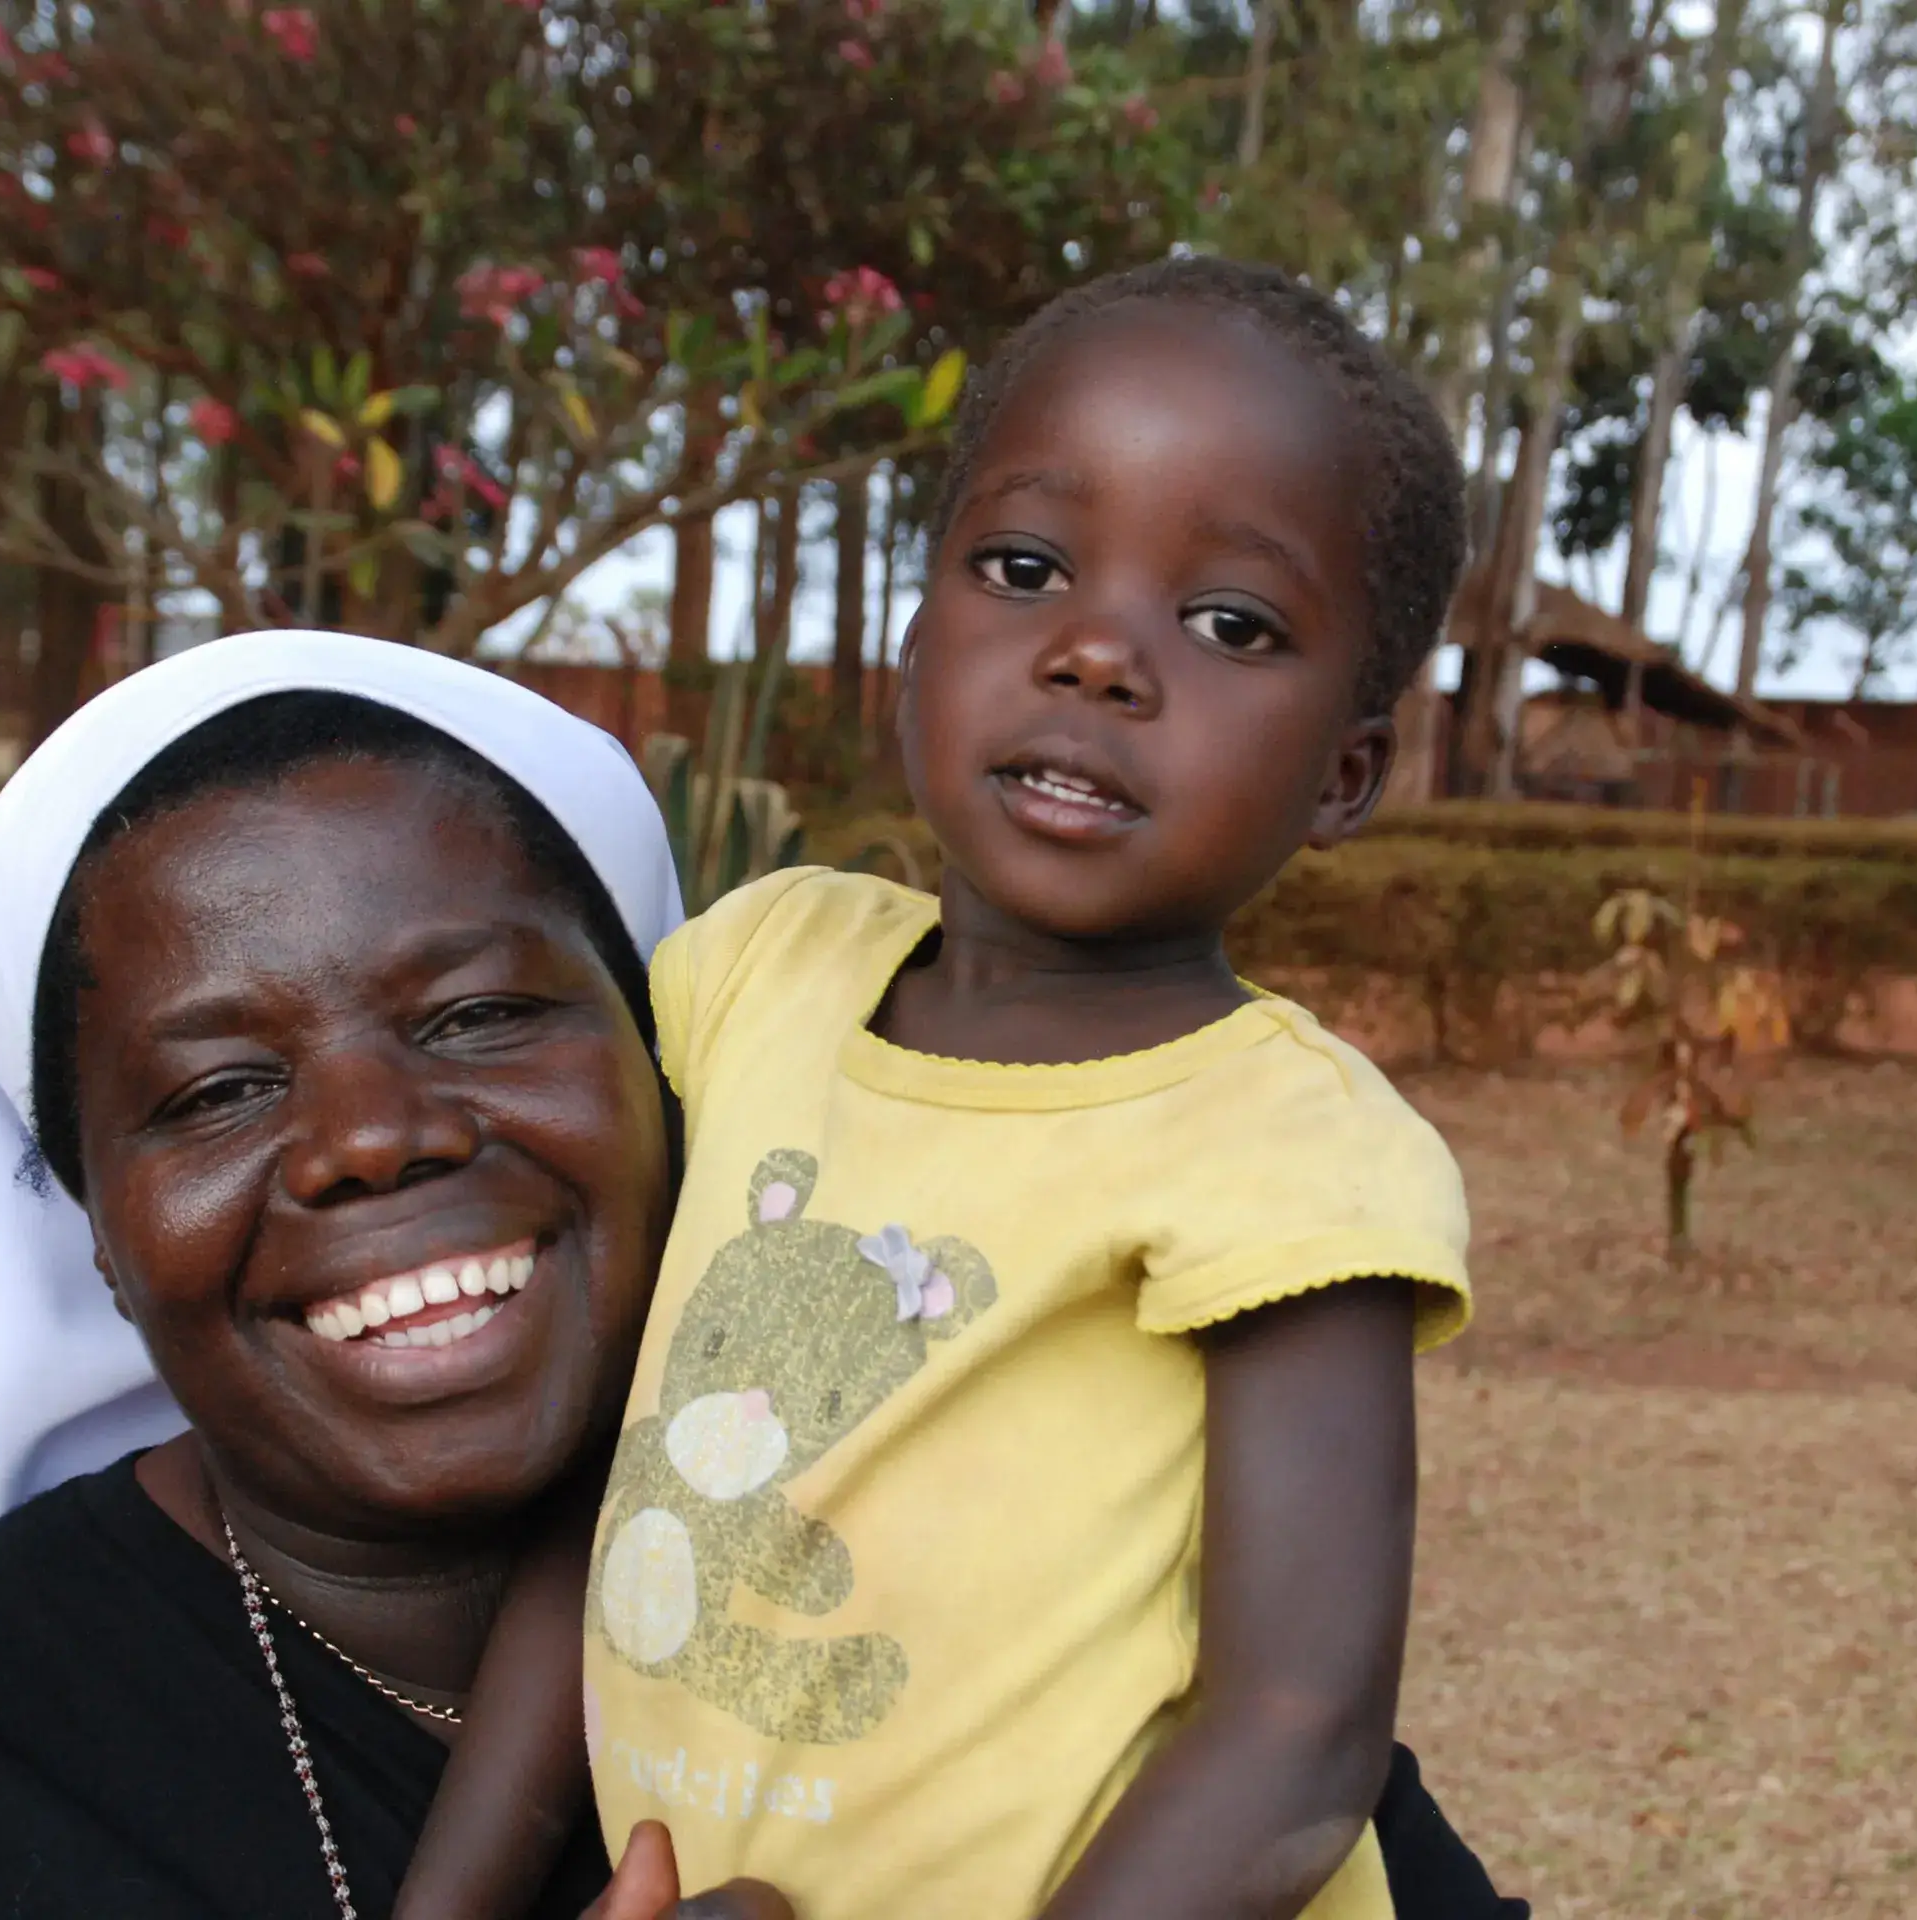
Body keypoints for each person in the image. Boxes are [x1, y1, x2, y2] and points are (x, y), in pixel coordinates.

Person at [551, 255, 1510, 1920]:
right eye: (1025, 565)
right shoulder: (750, 975)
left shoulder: (1288, 1151)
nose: (1097, 655)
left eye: (1229, 624)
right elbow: (588, 1497)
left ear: (1347, 772)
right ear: (916, 639)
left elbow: (1295, 1740)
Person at [0, 635, 773, 1917]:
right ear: (94, 1233)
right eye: (219, 1091)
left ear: (661, 1055)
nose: (371, 1137)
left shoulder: (965, 1580)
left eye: (478, 1014)